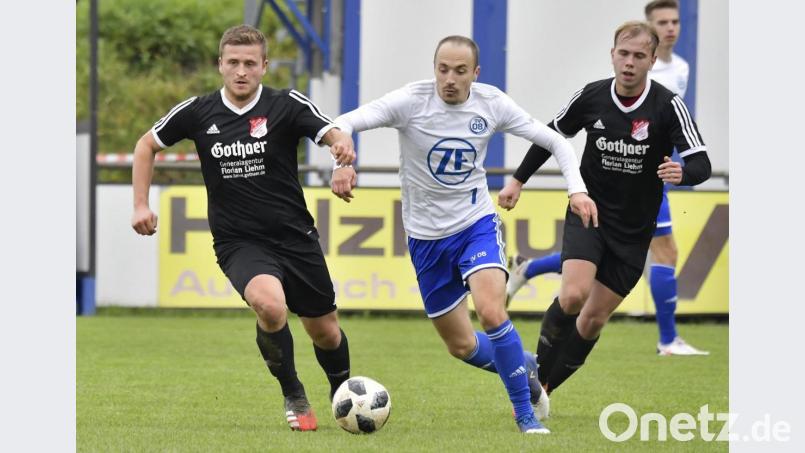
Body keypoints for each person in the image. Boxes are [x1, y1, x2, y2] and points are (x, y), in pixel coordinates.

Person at [329, 35, 597, 434]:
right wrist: (342, 156)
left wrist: (576, 188)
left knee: (492, 312)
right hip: (424, 239)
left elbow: (556, 140)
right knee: (462, 347)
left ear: (475, 73)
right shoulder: (410, 101)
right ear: (433, 68)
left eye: (459, 71)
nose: (449, 79)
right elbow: (344, 122)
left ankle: (525, 413)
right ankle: (523, 367)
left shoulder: (491, 103)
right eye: (442, 69)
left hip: (475, 224)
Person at [131, 25, 357, 432]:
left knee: (325, 332)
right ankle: (293, 393)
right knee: (269, 305)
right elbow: (146, 145)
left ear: (264, 66)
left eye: (250, 63)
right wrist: (140, 204)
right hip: (239, 241)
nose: (240, 71)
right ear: (220, 64)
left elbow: (331, 132)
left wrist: (342, 152)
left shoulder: (286, 105)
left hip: (295, 236)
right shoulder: (198, 112)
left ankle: (345, 394)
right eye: (232, 62)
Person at [497, 21, 711, 404]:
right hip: (589, 211)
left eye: (639, 56)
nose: (629, 63)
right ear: (612, 55)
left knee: (594, 319)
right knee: (574, 294)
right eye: (623, 54)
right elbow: (550, 135)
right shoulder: (592, 96)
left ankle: (543, 388)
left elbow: (701, 161)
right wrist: (518, 180)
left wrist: (684, 172)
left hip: (634, 230)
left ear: (651, 60)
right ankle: (534, 389)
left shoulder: (668, 105)